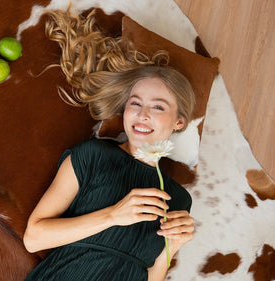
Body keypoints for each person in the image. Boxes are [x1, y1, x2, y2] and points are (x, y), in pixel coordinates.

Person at [23, 9, 195, 281]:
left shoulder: (179, 199)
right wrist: (114, 215)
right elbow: (34, 238)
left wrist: (170, 249)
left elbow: (152, 275)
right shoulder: (92, 156)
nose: (142, 114)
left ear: (179, 122)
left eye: (158, 106)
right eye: (135, 103)